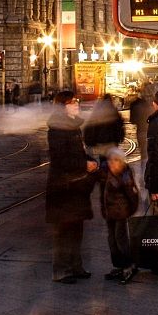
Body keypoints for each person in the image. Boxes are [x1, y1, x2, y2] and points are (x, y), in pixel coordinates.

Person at [45, 91, 98, 283]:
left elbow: (79, 152)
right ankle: (61, 270)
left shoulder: (74, 126)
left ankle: (75, 266)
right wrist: (84, 164)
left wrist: (89, 160)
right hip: (63, 187)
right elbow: (60, 158)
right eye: (72, 102)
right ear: (62, 106)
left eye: (76, 101)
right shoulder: (58, 129)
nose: (77, 104)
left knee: (76, 228)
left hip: (76, 186)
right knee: (63, 231)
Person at [99, 147, 140, 284]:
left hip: (121, 213)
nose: (112, 164)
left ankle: (128, 265)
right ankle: (119, 265)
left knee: (120, 239)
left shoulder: (125, 176)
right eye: (111, 161)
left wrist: (130, 211)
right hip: (110, 213)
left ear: (121, 162)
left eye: (116, 161)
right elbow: (102, 193)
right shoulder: (106, 173)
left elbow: (133, 196)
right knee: (112, 240)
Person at [83, 94, 125, 160]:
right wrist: (120, 138)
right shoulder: (114, 112)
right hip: (112, 142)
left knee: (102, 159)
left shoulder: (96, 112)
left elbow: (90, 127)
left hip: (100, 142)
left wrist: (89, 141)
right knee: (110, 160)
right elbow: (120, 127)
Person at [128, 87, 155, 165]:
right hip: (152, 130)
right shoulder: (152, 104)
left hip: (141, 130)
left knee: (143, 151)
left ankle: (144, 168)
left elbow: (132, 120)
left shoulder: (134, 104)